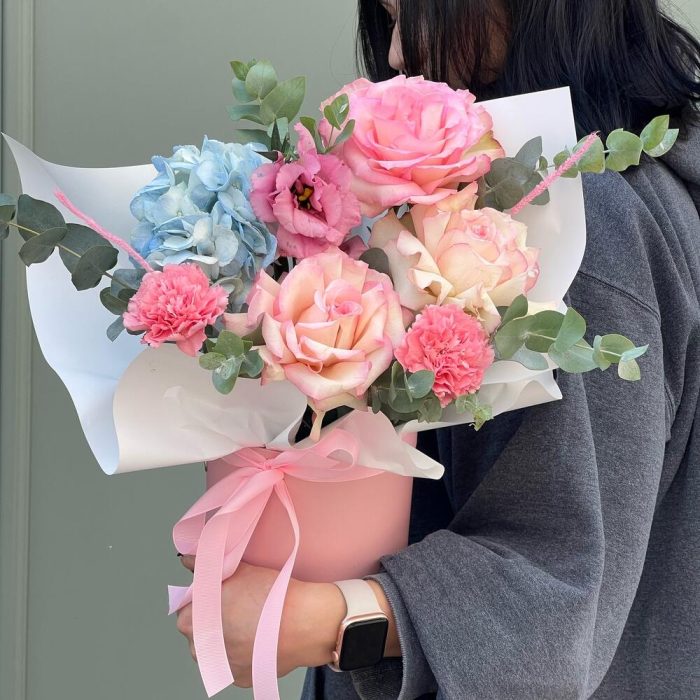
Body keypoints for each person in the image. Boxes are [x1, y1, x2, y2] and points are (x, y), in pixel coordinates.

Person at [177, 1, 700, 697]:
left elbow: (555, 595)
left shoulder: (581, 228)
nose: (397, 55)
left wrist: (327, 619)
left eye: (412, 11)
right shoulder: (648, 178)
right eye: (389, 18)